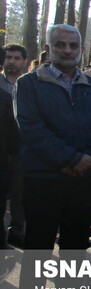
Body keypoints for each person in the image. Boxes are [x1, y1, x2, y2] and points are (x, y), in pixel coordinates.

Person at [14, 24, 91, 289]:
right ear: (49, 47)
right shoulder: (29, 84)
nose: (67, 50)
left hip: (82, 183)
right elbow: (31, 130)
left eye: (73, 45)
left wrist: (89, 158)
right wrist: (70, 158)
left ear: (81, 49)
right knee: (39, 253)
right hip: (44, 181)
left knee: (74, 248)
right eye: (60, 45)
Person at [0, 44, 27, 247]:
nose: (12, 61)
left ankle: (17, 232)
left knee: (20, 196)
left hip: (22, 151)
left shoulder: (29, 85)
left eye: (17, 58)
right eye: (9, 57)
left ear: (24, 62)